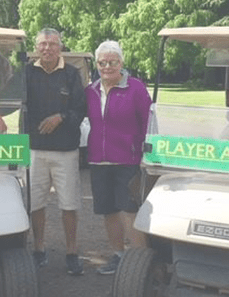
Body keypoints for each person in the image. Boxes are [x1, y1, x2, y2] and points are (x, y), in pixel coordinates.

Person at [85, 40, 152, 275]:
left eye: (112, 62)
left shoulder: (135, 88)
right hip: (98, 160)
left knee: (129, 209)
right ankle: (118, 255)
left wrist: (146, 153)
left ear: (121, 63)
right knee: (108, 210)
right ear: (97, 64)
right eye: (102, 62)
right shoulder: (91, 91)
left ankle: (140, 260)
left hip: (128, 159)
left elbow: (148, 122)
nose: (107, 66)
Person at [26, 28, 87, 276]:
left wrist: (60, 117)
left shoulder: (71, 74)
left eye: (52, 44)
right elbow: (8, 98)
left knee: (69, 204)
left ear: (60, 47)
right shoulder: (27, 72)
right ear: (36, 47)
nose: (47, 48)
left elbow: (80, 109)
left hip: (65, 151)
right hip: (34, 149)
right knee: (35, 203)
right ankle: (39, 249)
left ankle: (72, 252)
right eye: (43, 44)